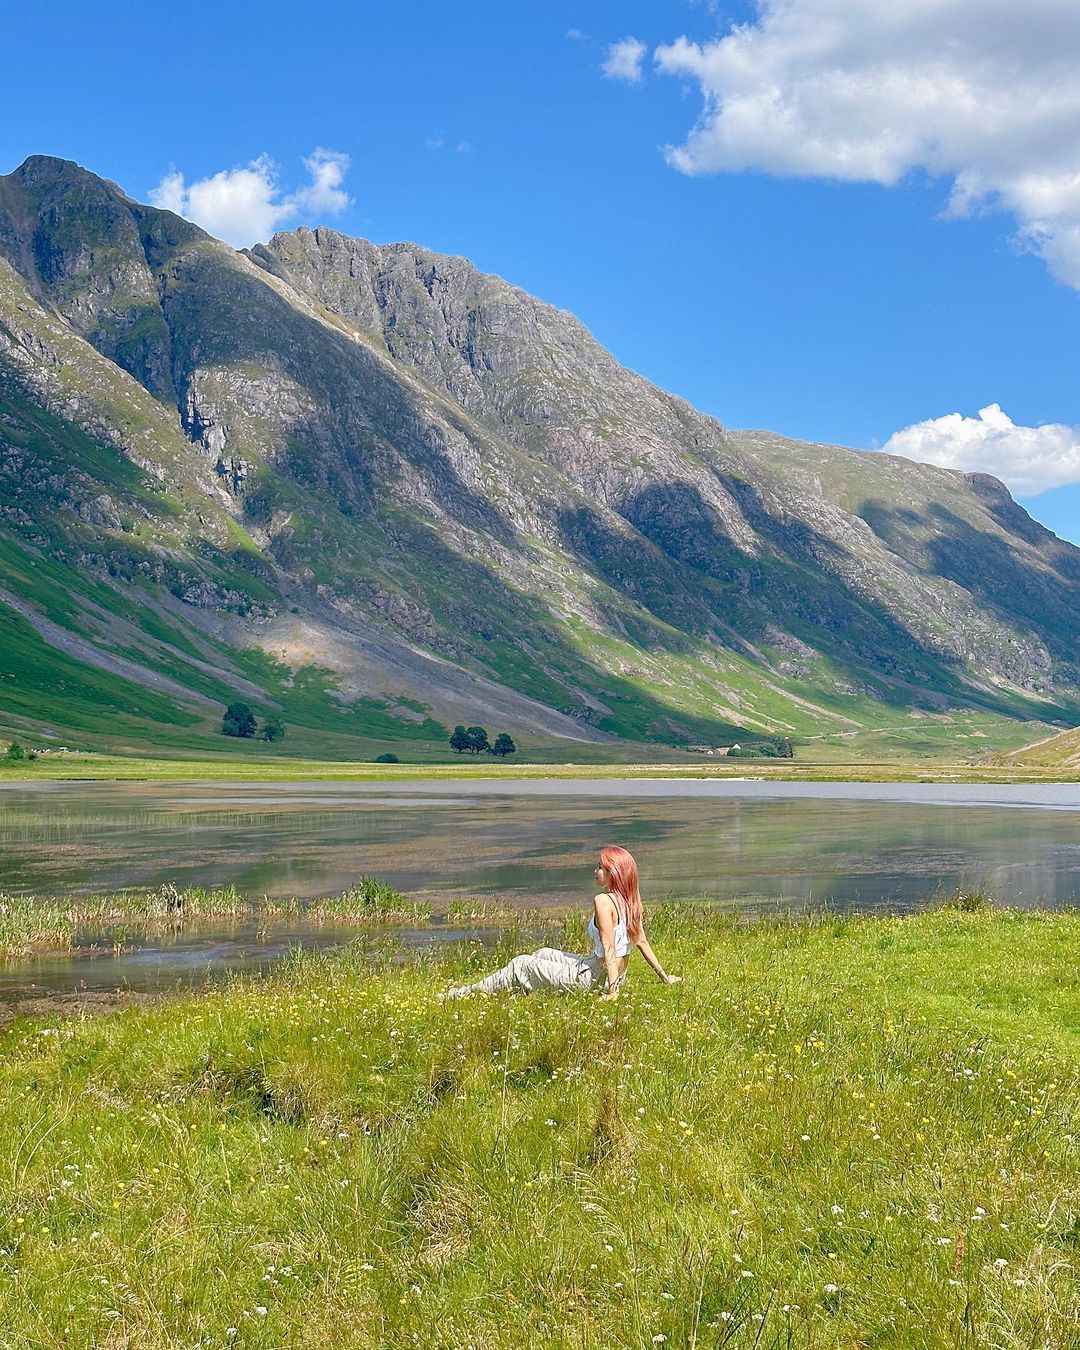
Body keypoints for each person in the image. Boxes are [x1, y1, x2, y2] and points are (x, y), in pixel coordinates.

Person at [442, 845, 681, 1002]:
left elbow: (609, 946)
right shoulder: (630, 902)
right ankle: (516, 996)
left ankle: (463, 994)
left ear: (613, 873)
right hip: (609, 973)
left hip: (594, 978)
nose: (595, 870)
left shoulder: (603, 901)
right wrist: (664, 976)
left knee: (520, 963)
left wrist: (612, 992)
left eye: (600, 866)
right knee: (543, 952)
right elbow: (641, 942)